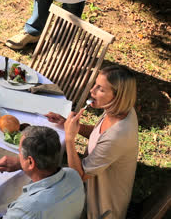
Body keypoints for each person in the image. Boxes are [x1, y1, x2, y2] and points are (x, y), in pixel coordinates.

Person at [45, 65, 138, 219]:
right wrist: (72, 125)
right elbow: (100, 135)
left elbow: (79, 176)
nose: (91, 91)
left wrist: (69, 137)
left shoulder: (119, 135)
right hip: (86, 188)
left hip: (96, 209)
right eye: (95, 85)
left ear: (117, 96)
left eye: (100, 89)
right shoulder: (118, 111)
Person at [0, 126, 85, 219]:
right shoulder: (73, 175)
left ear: (31, 162)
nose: (18, 155)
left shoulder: (28, 209)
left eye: (19, 152)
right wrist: (21, 164)